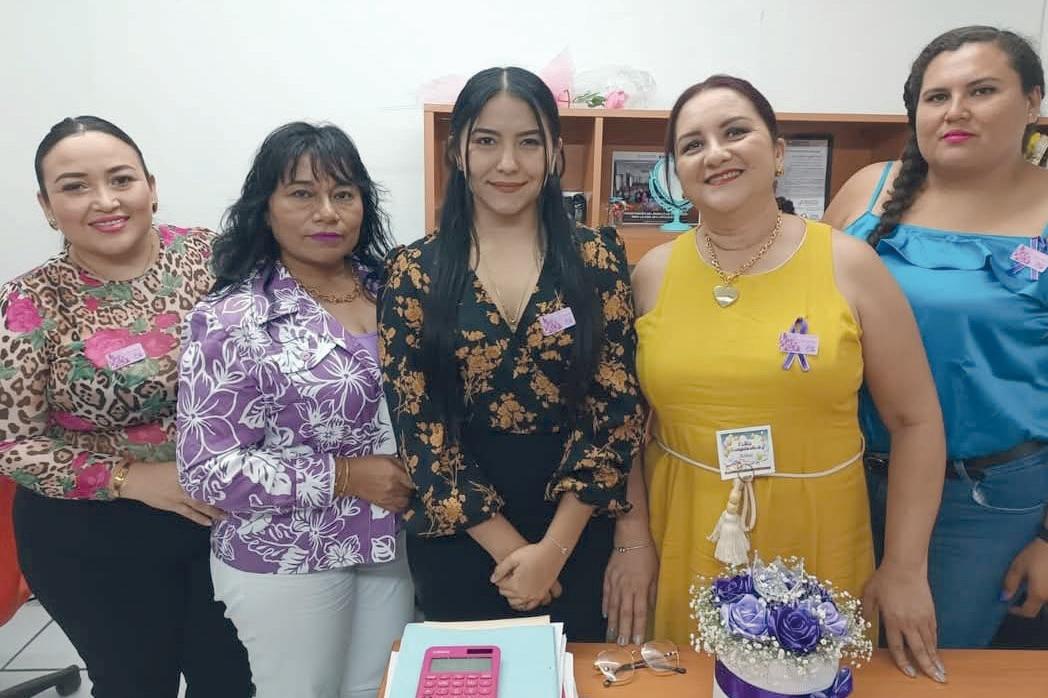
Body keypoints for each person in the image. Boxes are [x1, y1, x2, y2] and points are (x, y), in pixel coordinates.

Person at [631, 75, 948, 681]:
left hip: (817, 530)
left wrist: (906, 567)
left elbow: (916, 421)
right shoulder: (652, 274)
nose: (715, 153)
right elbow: (627, 424)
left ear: (778, 153)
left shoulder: (850, 264)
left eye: (735, 132)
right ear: (678, 174)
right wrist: (633, 542)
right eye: (692, 145)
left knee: (813, 685)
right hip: (685, 527)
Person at [380, 66, 645, 642]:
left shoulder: (597, 259)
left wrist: (552, 551)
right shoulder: (415, 271)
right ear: (457, 151)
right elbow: (419, 427)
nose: (508, 163)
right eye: (486, 141)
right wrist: (510, 550)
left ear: (554, 152)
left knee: (572, 676)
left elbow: (614, 410)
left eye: (528, 142)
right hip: (460, 534)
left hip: (576, 527)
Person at [0, 116, 252, 697]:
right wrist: (131, 478)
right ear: (46, 206)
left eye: (121, 179)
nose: (105, 201)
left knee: (235, 680)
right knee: (136, 684)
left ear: (151, 187)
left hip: (224, 514)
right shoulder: (29, 301)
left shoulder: (215, 258)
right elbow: (13, 442)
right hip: (94, 532)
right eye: (75, 187)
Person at [823, 26, 1048, 649]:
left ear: (1032, 102)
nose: (956, 111)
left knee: (925, 664)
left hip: (977, 503)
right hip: (840, 479)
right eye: (936, 96)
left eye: (982, 91)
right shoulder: (868, 190)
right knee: (823, 659)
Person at [176, 122, 415, 698]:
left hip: (388, 537)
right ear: (265, 208)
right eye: (303, 194)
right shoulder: (233, 318)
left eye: (343, 193)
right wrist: (345, 476)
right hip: (287, 551)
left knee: (378, 688)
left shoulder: (396, 291)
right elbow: (206, 469)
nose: (327, 213)